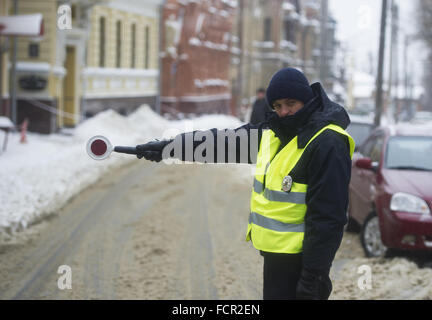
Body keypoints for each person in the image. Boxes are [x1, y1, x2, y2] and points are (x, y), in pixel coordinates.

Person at [135, 67, 355, 300]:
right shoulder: (273, 134)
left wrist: (313, 278)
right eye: (277, 106)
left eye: (291, 103)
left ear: (307, 101)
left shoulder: (328, 142)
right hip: (276, 258)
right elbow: (221, 143)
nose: (284, 112)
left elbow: (328, 219)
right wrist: (170, 147)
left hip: (304, 265)